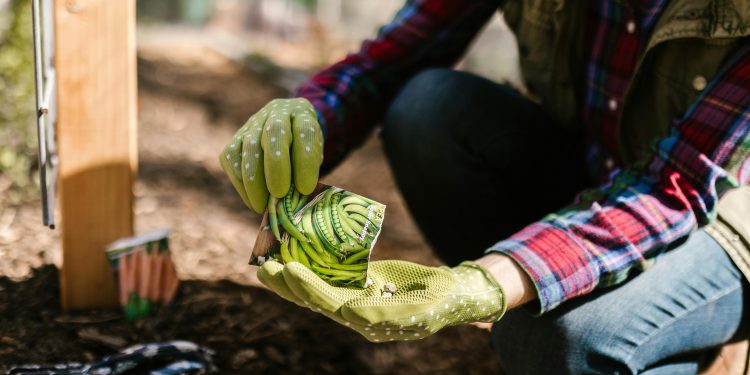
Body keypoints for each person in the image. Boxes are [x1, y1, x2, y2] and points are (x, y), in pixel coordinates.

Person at [219, 1, 750, 373]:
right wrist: (310, 120)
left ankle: (681, 345)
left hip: (719, 218)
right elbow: (394, 57)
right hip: (595, 177)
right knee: (428, 107)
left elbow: (668, 187)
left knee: (560, 337)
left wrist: (483, 285)